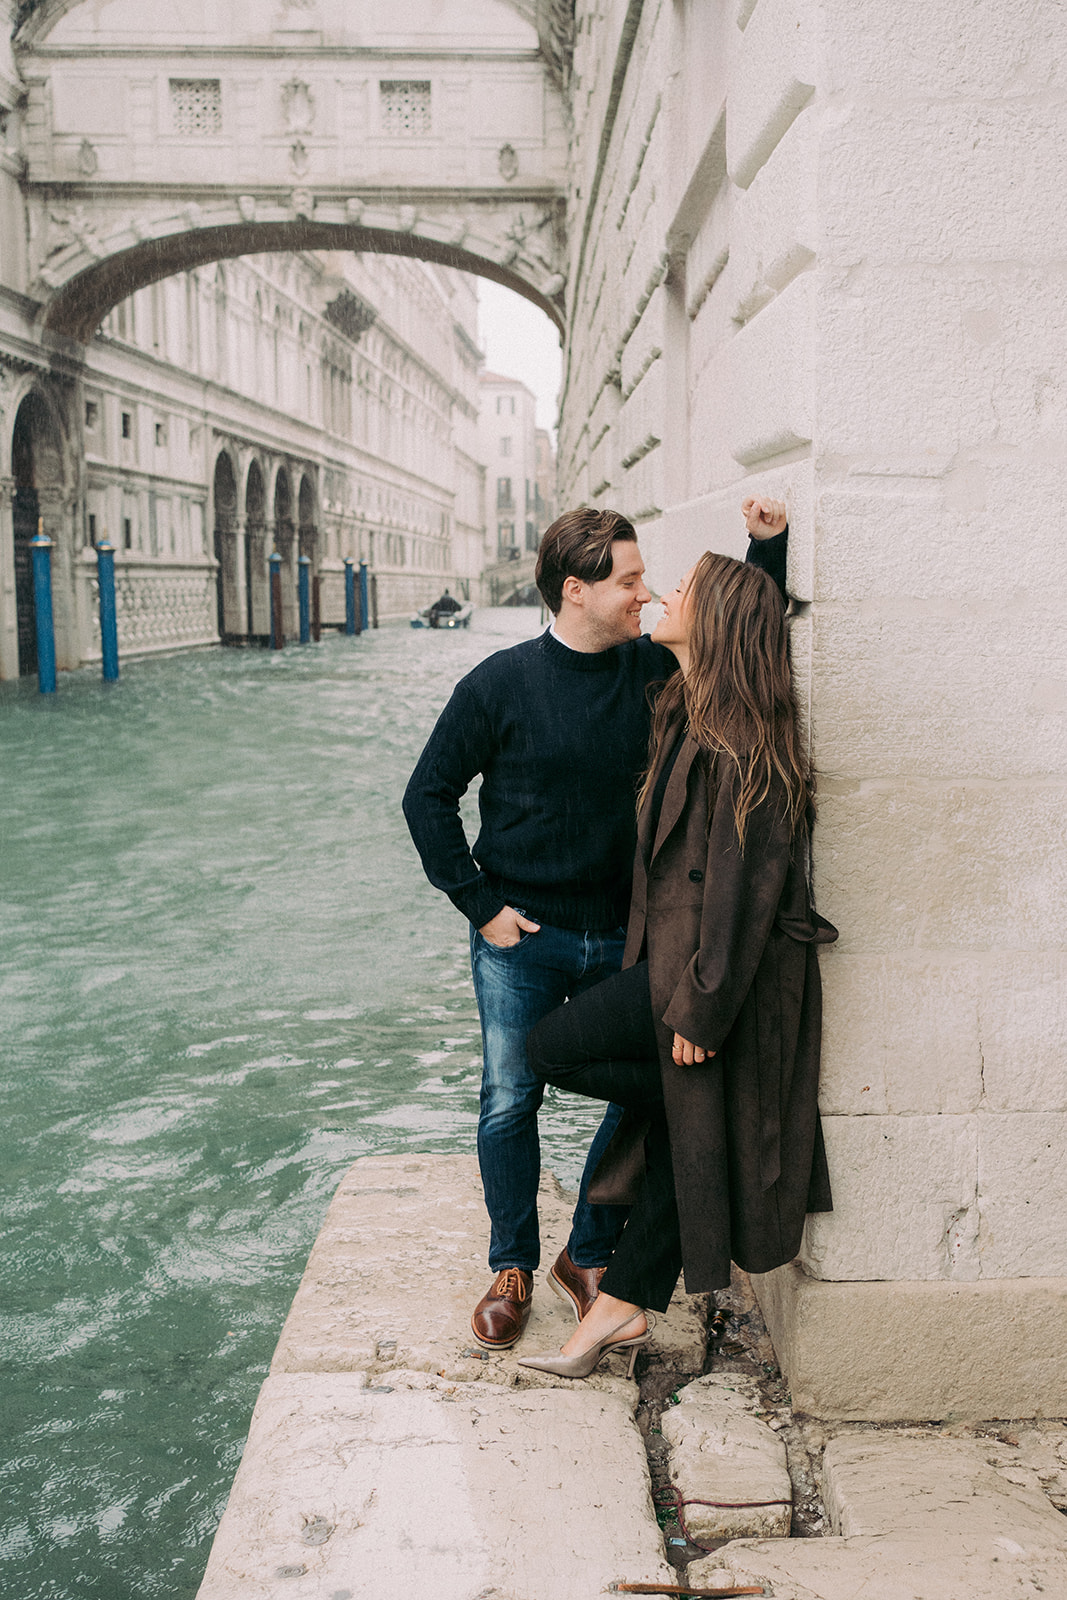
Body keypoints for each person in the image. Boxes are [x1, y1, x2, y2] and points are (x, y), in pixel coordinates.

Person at [403, 502, 788, 1350]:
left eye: (648, 579)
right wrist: (480, 906)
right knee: (509, 1098)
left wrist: (768, 550)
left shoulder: (652, 670)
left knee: (646, 1087)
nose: (644, 595)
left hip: (625, 935)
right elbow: (425, 798)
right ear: (575, 591)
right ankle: (510, 1265)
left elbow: (741, 637)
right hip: (521, 935)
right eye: (628, 581)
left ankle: (585, 1255)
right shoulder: (497, 684)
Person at [517, 541, 837, 1378]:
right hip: (670, 960)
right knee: (684, 1108)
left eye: (683, 589)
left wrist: (701, 1007)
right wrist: (763, 550)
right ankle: (618, 1312)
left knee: (549, 1047)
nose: (662, 593)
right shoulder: (685, 706)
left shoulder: (745, 746)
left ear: (716, 621)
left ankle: (614, 1314)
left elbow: (747, 891)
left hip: (707, 974)